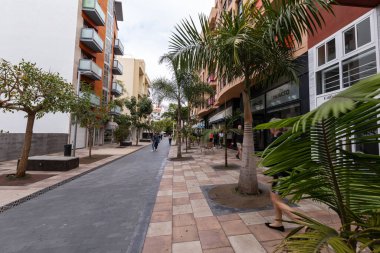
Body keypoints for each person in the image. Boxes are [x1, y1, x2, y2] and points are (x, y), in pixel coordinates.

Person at [265, 118, 296, 232]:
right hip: (282, 173)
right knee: (275, 198)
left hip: (281, 173)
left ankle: (306, 223)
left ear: (274, 127)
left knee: (276, 199)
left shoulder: (276, 140)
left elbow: (270, 159)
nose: (269, 129)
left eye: (270, 126)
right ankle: (278, 222)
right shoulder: (284, 137)